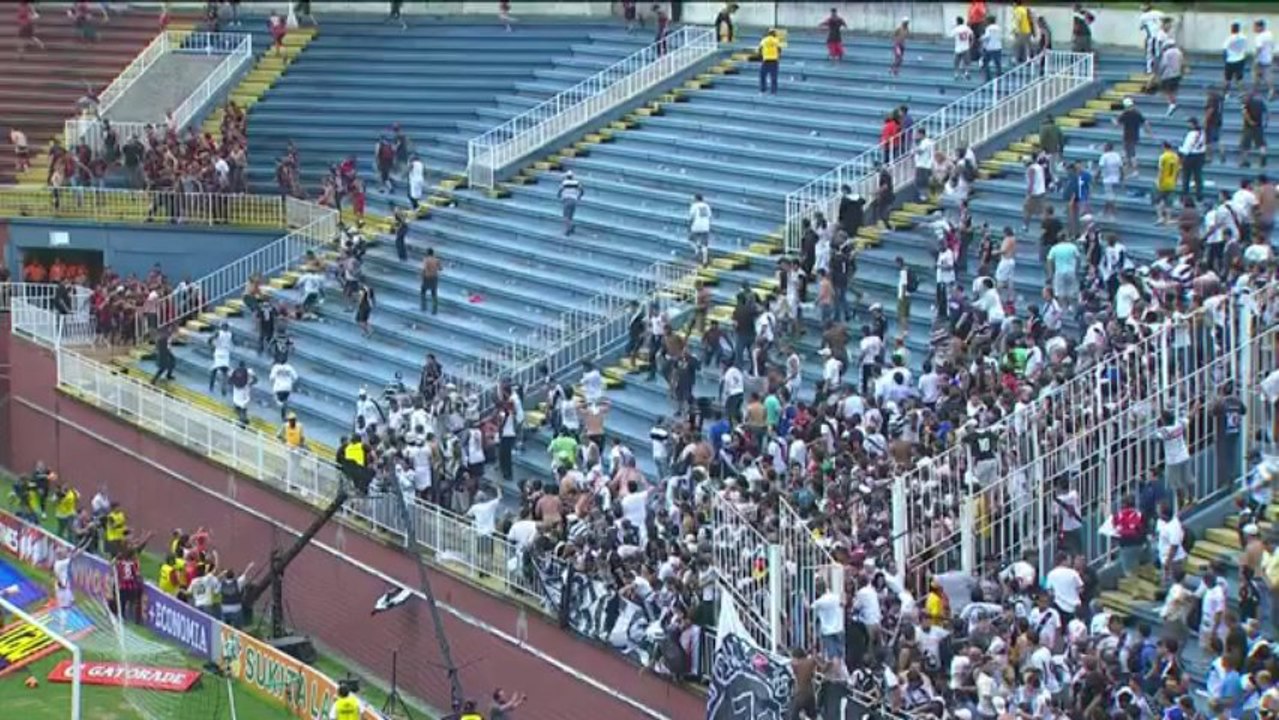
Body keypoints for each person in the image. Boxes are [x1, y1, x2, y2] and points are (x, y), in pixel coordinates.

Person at [1155, 140, 1181, 224]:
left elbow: (1161, 171)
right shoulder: (1176, 157)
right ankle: (1168, 219)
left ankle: (1160, 217)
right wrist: (1176, 180)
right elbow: (1178, 170)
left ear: (1164, 147)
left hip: (1163, 182)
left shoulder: (1163, 157)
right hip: (1172, 182)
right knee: (1169, 202)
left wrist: (1158, 181)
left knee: (1158, 201)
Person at [1158, 36, 1184, 115]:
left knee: (1167, 91)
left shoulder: (1167, 53)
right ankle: (1173, 102)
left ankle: (1172, 104)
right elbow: (1182, 63)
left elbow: (1163, 64)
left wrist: (1160, 73)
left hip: (1168, 75)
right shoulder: (1179, 52)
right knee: (1174, 90)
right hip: (1177, 74)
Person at [1226, 22, 1250, 98]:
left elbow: (1225, 49)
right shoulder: (1243, 38)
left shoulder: (1229, 39)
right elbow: (1245, 48)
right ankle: (1242, 92)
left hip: (1230, 60)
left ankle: (1227, 93)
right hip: (1240, 59)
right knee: (1239, 78)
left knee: (1228, 79)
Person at [688, 193, 712, 266]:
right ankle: (705, 261)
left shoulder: (694, 206)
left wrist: (689, 226)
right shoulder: (707, 206)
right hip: (705, 226)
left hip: (696, 225)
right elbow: (710, 216)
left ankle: (697, 250)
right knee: (705, 244)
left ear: (696, 199)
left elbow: (691, 217)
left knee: (690, 239)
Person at [558, 170, 583, 235]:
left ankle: (569, 228)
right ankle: (571, 227)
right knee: (570, 215)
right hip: (574, 200)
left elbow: (560, 190)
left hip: (567, 199)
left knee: (565, 216)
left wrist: (559, 196)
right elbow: (581, 190)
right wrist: (579, 197)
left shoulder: (564, 182)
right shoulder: (577, 182)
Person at [758, 29, 781, 95]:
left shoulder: (764, 40)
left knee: (763, 76)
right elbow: (779, 50)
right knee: (774, 77)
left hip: (765, 60)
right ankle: (773, 91)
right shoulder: (776, 41)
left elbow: (760, 50)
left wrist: (761, 58)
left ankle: (762, 90)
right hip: (774, 60)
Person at [980, 16, 1002, 81]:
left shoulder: (988, 28)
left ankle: (988, 77)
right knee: (997, 62)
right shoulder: (998, 27)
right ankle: (999, 76)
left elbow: (987, 36)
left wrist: (981, 38)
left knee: (985, 62)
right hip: (998, 47)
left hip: (990, 47)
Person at [951, 15, 973, 80]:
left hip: (958, 48)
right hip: (966, 47)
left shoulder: (956, 29)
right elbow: (971, 34)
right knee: (967, 62)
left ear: (957, 22)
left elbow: (951, 35)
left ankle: (956, 74)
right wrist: (971, 43)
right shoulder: (967, 28)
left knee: (956, 62)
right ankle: (967, 72)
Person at [420, 247, 441, 314]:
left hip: (427, 277)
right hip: (434, 277)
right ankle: (434, 310)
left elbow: (424, 269)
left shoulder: (426, 260)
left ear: (427, 253)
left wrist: (421, 276)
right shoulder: (437, 260)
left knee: (423, 292)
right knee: (434, 294)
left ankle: (423, 307)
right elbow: (440, 268)